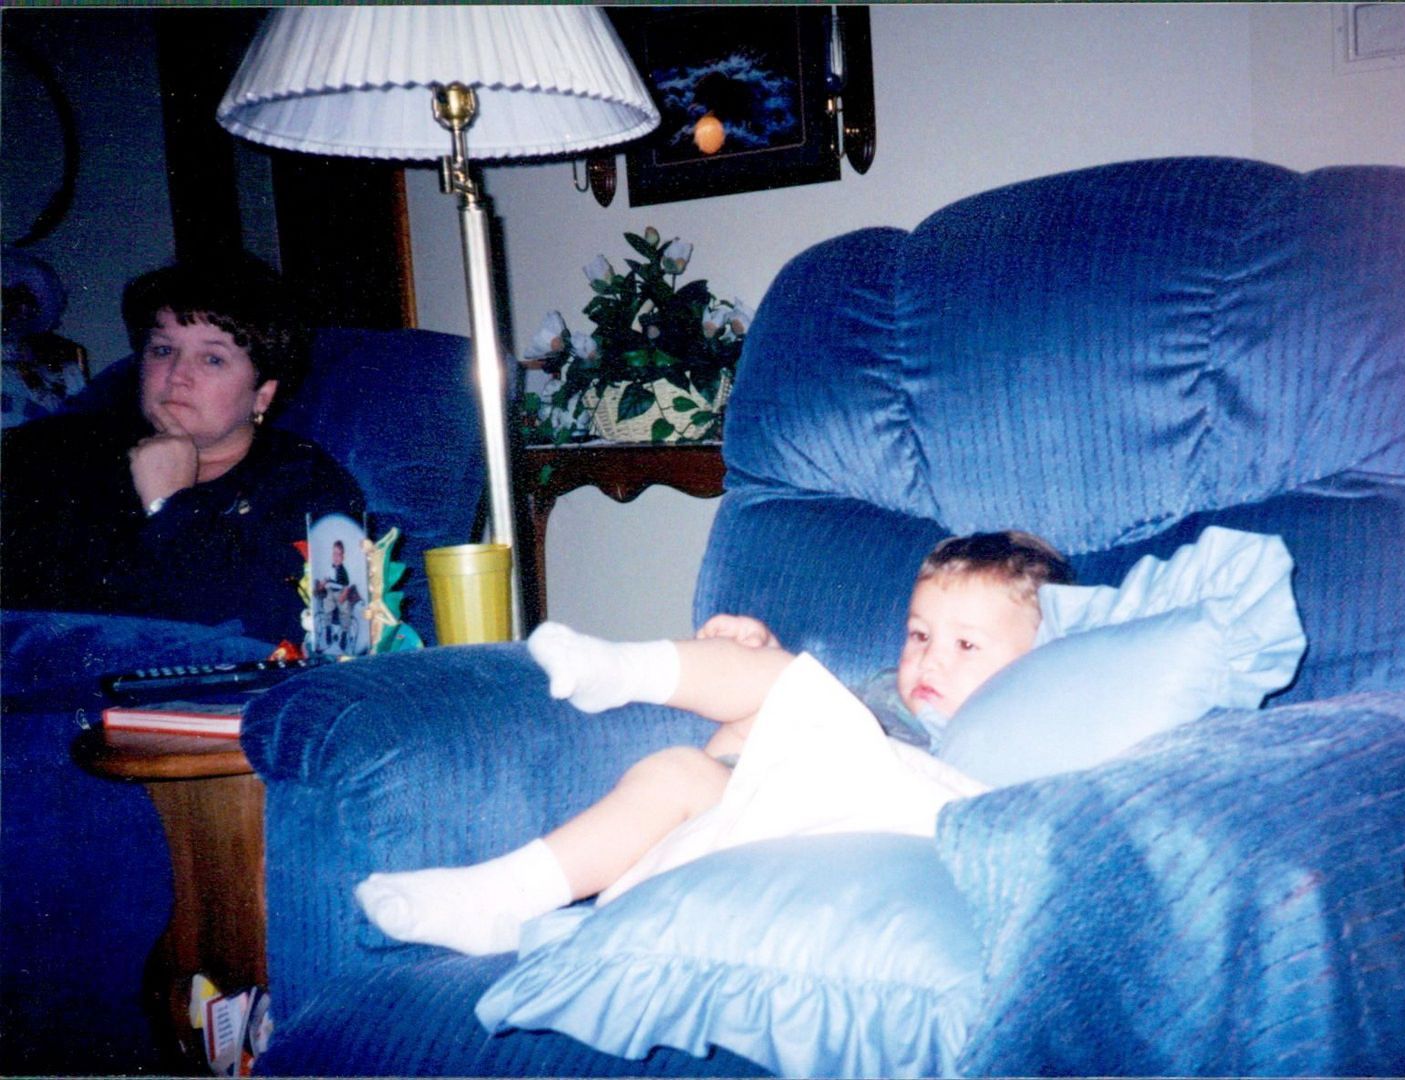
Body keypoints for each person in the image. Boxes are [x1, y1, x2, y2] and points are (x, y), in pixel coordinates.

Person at [356, 531, 1074, 955]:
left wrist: (785, 689)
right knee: (677, 766)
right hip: (758, 820)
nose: (930, 659)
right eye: (918, 634)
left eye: (965, 645)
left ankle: (635, 675)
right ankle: (508, 895)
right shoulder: (885, 695)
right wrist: (762, 668)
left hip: (878, 846)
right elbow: (803, 729)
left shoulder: (1026, 730)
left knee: (787, 688)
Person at [0, 256, 364, 644]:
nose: (177, 375)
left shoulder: (308, 483)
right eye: (162, 350)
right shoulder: (60, 455)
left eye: (212, 358)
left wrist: (171, 505)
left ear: (262, 394)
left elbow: (334, 636)